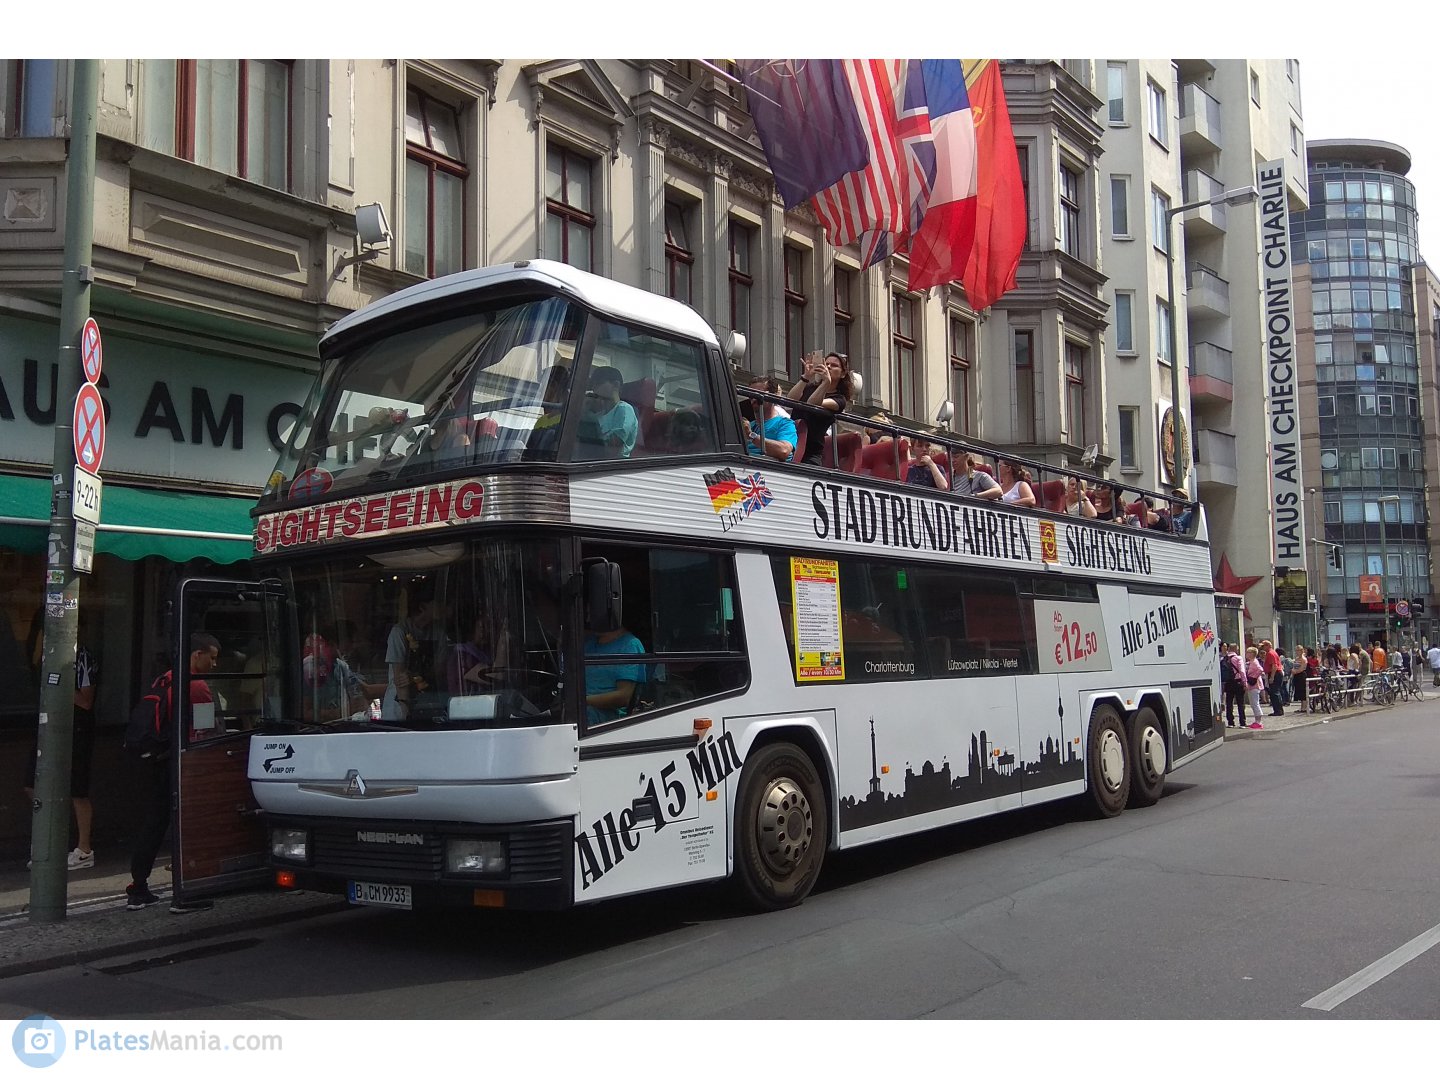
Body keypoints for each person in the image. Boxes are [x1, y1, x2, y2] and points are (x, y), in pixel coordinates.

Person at [126, 632, 220, 914]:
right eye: (212, 658)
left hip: (157, 760)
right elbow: (203, 732)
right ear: (197, 655)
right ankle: (187, 893)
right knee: (189, 825)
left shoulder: (165, 678)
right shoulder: (198, 686)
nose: (215, 665)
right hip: (181, 765)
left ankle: (138, 888)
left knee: (154, 824)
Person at [23, 631, 99, 871]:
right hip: (50, 723)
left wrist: (61, 684)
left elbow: (87, 701)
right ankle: (49, 838)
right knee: (31, 782)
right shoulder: (45, 656)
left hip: (77, 725)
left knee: (77, 788)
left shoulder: (83, 657)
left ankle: (84, 849)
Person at [383, 594, 447, 721]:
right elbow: (400, 679)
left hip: (429, 702)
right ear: (423, 607)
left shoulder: (439, 633)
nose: (443, 607)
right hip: (399, 708)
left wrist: (414, 676)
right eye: (438, 603)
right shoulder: (399, 631)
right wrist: (405, 712)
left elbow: (439, 671)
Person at [787, 350, 854, 466]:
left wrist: (826, 383)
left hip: (810, 453)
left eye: (834, 365)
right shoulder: (810, 387)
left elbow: (813, 403)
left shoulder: (839, 399)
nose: (828, 367)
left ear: (843, 374)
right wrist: (806, 377)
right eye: (826, 364)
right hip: (791, 441)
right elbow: (790, 399)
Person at [584, 623, 646, 724]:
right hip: (580, 709)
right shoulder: (589, 643)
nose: (588, 618)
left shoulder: (630, 645)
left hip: (608, 719)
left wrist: (581, 701)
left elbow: (623, 697)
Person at [579, 365, 638, 458]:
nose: (594, 387)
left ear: (616, 385)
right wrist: (584, 409)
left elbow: (612, 450)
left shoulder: (624, 409)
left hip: (613, 466)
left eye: (599, 383)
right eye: (593, 384)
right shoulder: (597, 415)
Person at [743, 377, 797, 462]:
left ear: (773, 397)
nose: (753, 399)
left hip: (770, 471)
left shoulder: (785, 423)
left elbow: (784, 451)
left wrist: (751, 436)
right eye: (751, 395)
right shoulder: (749, 425)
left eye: (758, 395)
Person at [1222, 642, 1247, 727]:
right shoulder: (1238, 658)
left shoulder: (1224, 659)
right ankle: (1242, 722)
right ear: (1236, 649)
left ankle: (1230, 722)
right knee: (1240, 703)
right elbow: (1242, 671)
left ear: (1229, 649)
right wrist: (1244, 682)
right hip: (1238, 681)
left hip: (1228, 682)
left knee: (1229, 703)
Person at [1260, 639, 1284, 717]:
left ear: (1268, 646)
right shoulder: (1271, 653)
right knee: (1275, 692)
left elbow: (1274, 666)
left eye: (1263, 646)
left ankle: (1278, 711)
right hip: (1275, 673)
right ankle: (1278, 710)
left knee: (1274, 693)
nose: (1262, 648)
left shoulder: (1270, 653)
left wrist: (1272, 677)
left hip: (1275, 673)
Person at [1243, 646, 1265, 727]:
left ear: (1252, 654)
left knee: (1255, 703)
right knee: (1253, 703)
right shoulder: (1251, 662)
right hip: (1252, 685)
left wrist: (1253, 677)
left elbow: (1260, 670)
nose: (1246, 654)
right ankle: (1257, 720)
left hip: (1254, 685)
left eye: (1248, 652)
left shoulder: (1254, 662)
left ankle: (1258, 721)